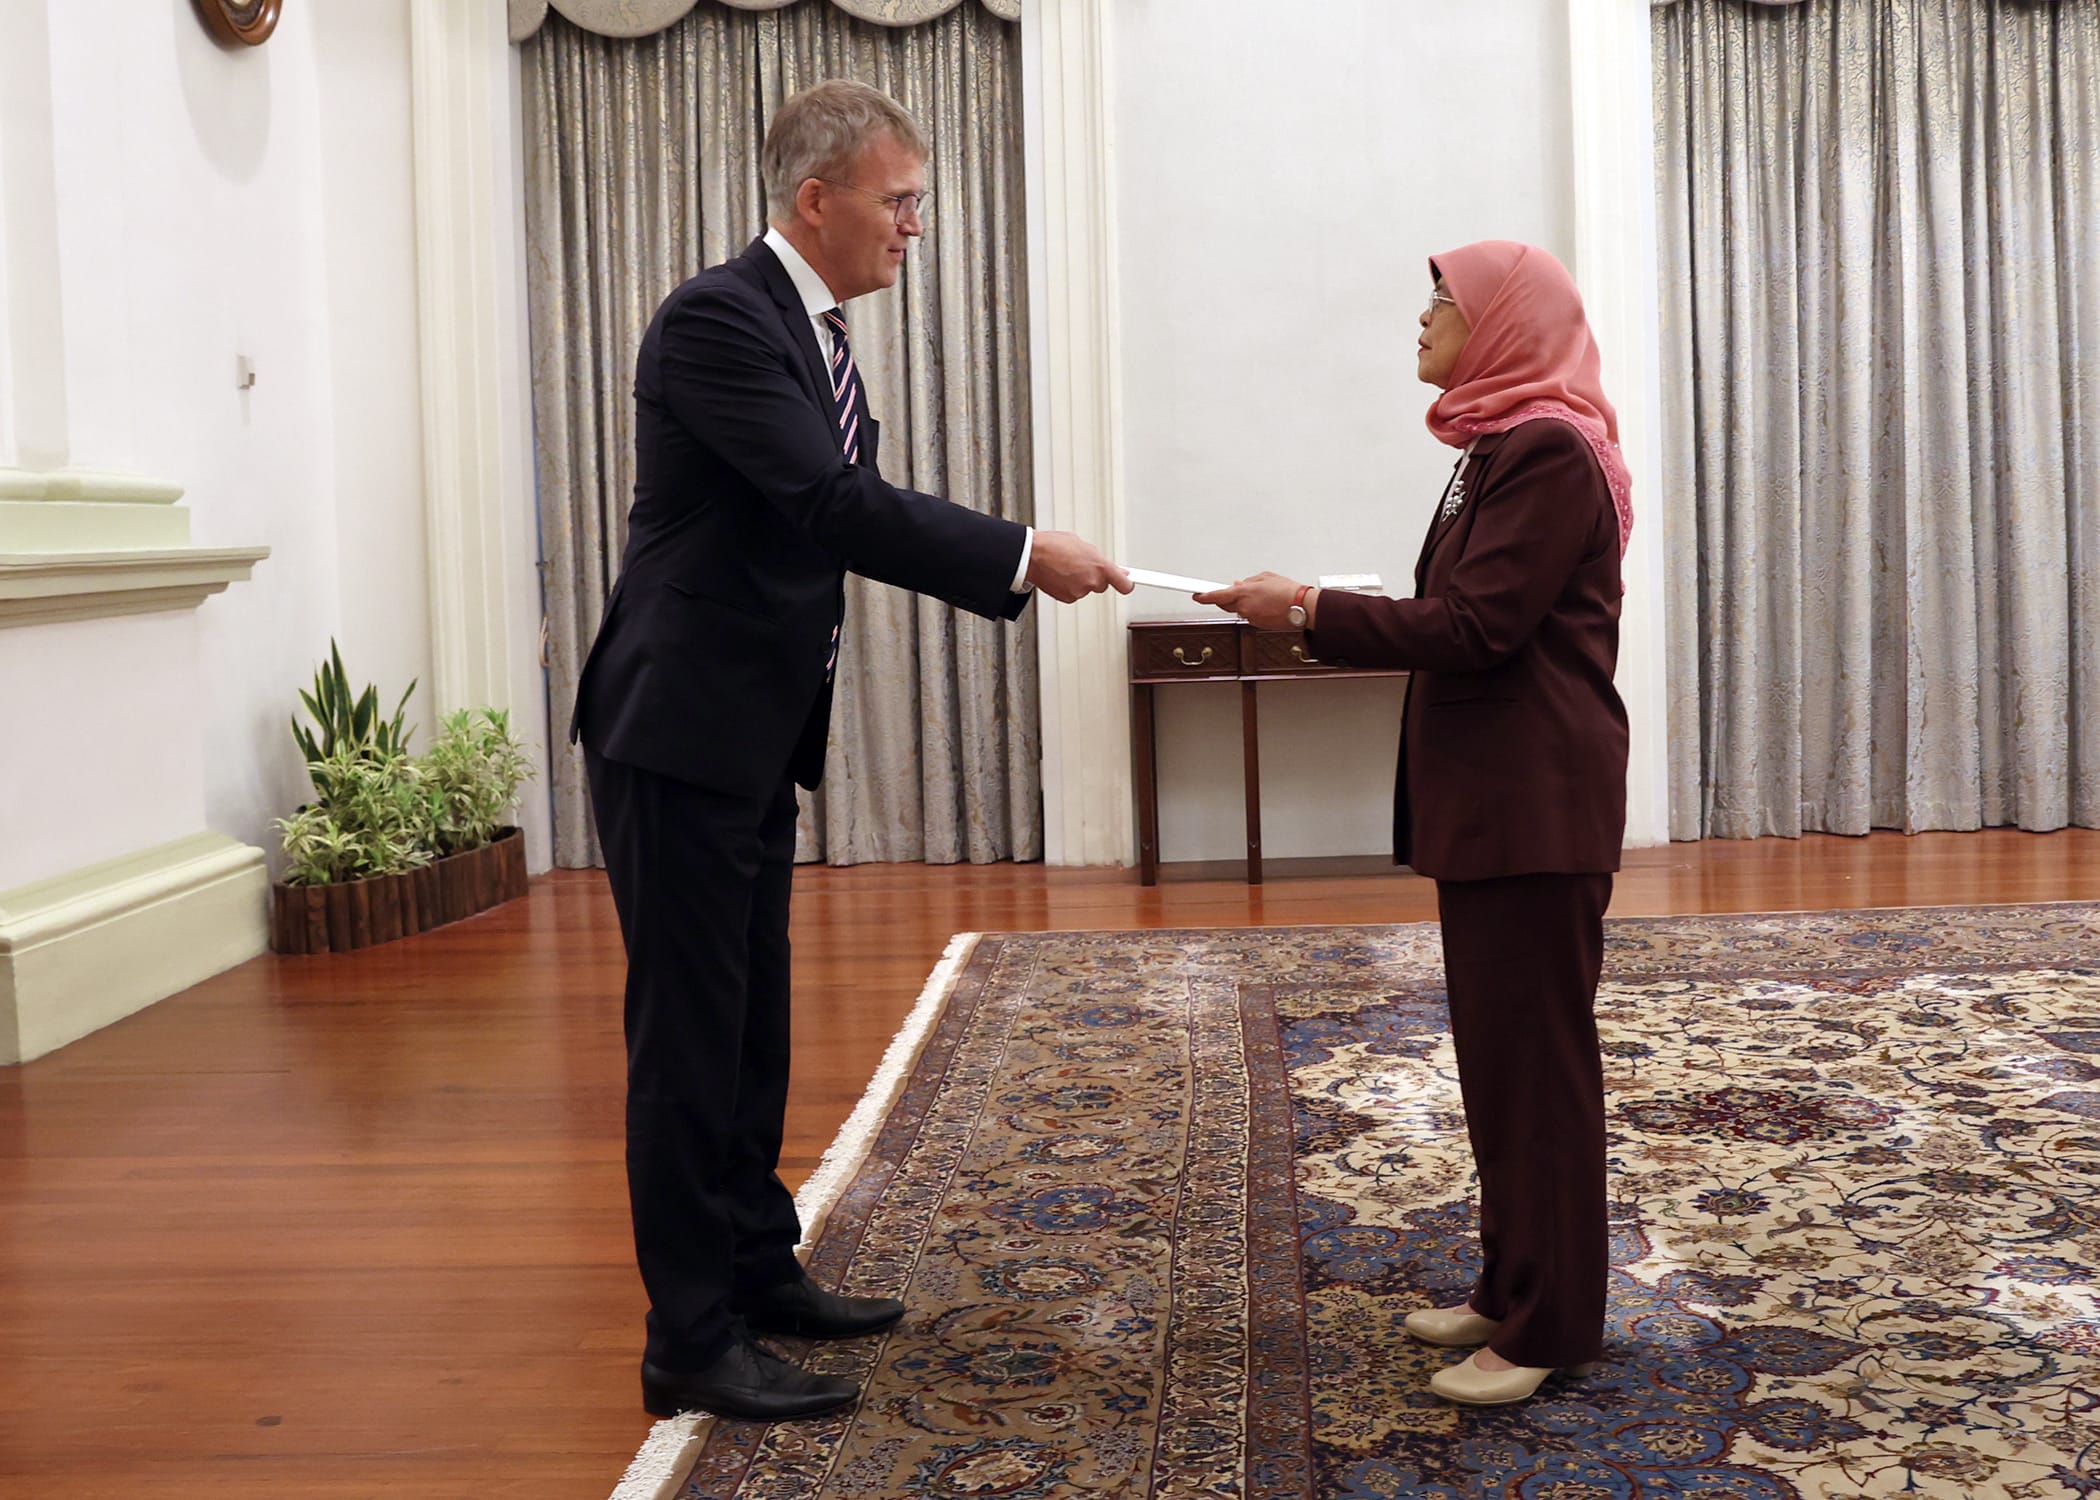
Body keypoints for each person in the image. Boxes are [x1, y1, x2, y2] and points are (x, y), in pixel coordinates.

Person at [572, 80, 1130, 1424]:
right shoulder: (718, 318)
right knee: (690, 1042)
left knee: (749, 1022)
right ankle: (688, 1339)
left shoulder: (809, 333)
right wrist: (1019, 552)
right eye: (900, 201)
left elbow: (826, 511)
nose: (914, 228)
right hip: (678, 732)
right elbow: (832, 503)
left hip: (750, 736)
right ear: (816, 199)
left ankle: (757, 1271)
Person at [1196, 240, 1632, 1407]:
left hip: (1537, 803)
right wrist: (1309, 608)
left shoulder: (1546, 449)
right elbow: (1463, 613)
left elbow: (1475, 627)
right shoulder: (1497, 446)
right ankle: (1511, 1284)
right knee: (1499, 1063)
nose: (1423, 319)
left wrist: (1306, 608)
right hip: (1500, 802)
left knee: (1538, 1072)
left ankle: (1550, 1326)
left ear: (1504, 322)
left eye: (1444, 301)